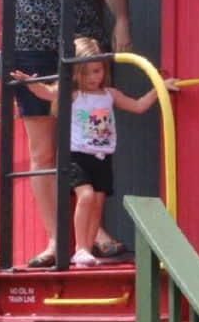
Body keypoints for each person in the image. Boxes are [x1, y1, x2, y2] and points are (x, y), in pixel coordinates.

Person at [0, 0, 134, 267]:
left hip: (84, 55)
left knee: (90, 142)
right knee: (44, 149)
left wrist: (121, 22)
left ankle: (93, 233)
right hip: (31, 55)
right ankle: (56, 240)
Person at [13, 37, 169, 266]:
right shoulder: (75, 95)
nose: (93, 78)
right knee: (85, 196)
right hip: (78, 156)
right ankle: (80, 247)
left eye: (97, 71)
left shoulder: (110, 94)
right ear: (76, 73)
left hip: (103, 157)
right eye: (86, 73)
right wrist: (29, 83)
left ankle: (85, 250)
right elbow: (47, 93)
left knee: (97, 201)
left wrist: (160, 88)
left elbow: (137, 106)